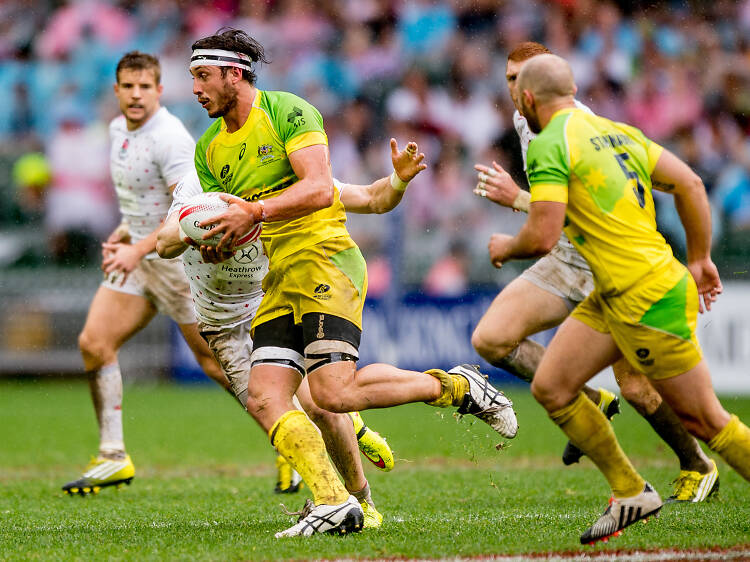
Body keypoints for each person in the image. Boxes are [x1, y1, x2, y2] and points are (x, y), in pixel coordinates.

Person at [187, 28, 517, 538]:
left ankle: (455, 385)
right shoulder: (209, 149)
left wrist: (255, 209)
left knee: (334, 395)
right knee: (264, 397)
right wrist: (220, 241)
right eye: (193, 76)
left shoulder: (287, 112)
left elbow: (320, 190)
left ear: (236, 73)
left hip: (325, 261)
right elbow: (239, 221)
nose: (195, 87)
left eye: (203, 75)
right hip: (278, 276)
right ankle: (335, 501)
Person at [62, 51, 393, 498]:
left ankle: (341, 454)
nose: (136, 94)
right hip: (155, 263)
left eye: (145, 86)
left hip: (206, 279)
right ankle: (113, 453)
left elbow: (197, 210)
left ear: (159, 92)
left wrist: (168, 240)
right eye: (127, 86)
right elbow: (175, 213)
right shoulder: (128, 132)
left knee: (271, 386)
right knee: (94, 343)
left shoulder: (182, 143)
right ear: (116, 90)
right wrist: (134, 234)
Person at [492, 53, 750, 544]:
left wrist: (505, 246)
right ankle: (631, 492)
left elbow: (542, 236)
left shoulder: (549, 143)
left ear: (527, 99)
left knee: (705, 419)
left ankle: (690, 467)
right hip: (623, 288)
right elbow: (691, 184)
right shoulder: (618, 131)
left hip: (643, 296)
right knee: (552, 386)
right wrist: (699, 259)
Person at [157, 138, 427, 529]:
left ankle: (356, 502)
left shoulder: (283, 186)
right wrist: (196, 238)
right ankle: (351, 446)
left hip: (269, 300)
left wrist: (398, 180)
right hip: (221, 322)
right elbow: (164, 241)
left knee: (320, 403)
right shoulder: (197, 185)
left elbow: (371, 197)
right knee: (274, 405)